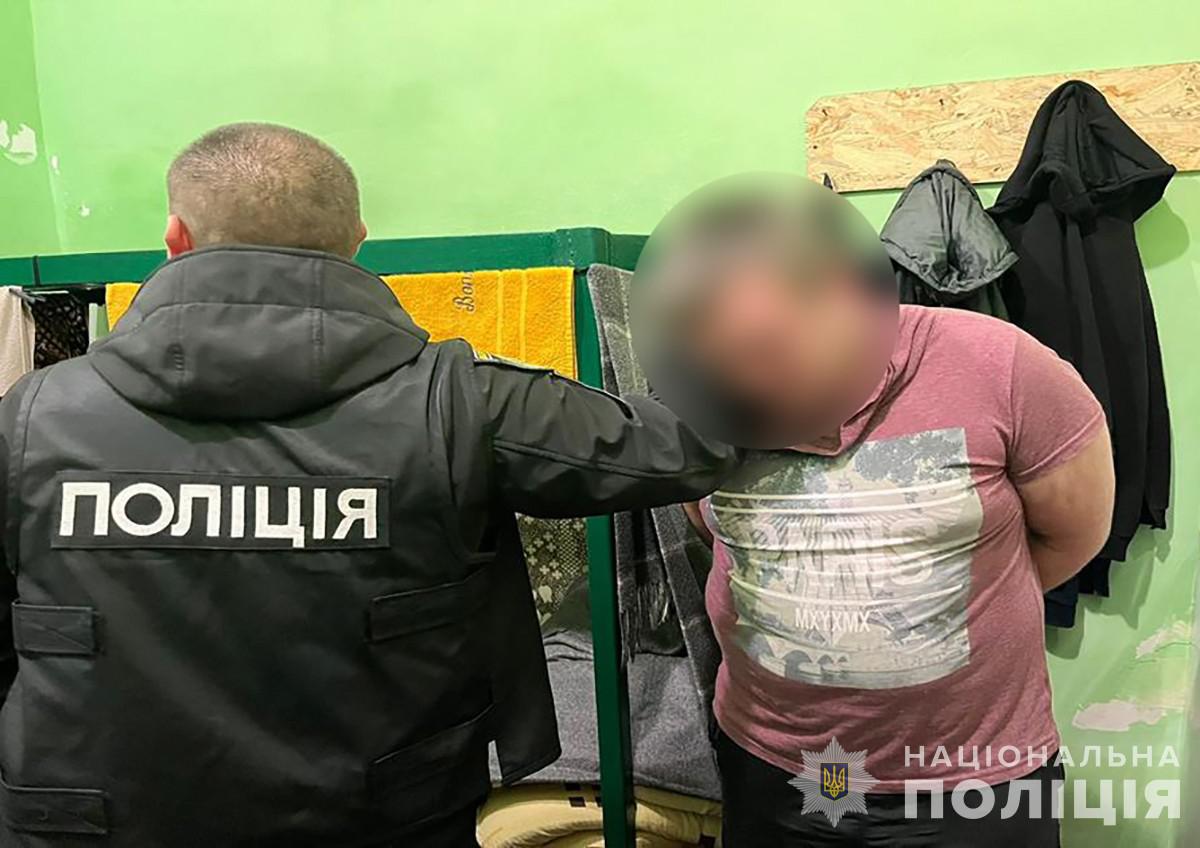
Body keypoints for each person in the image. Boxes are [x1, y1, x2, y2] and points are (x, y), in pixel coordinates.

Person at [0, 123, 745, 847]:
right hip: (376, 822)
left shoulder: (32, 418)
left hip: (85, 822)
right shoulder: (468, 402)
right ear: (356, 241)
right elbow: (689, 445)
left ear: (175, 238)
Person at [655, 184, 1114, 847]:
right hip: (775, 765)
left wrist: (927, 610)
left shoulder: (1004, 365)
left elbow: (1074, 534)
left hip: (973, 778)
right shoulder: (699, 391)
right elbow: (714, 530)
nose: (753, 381)